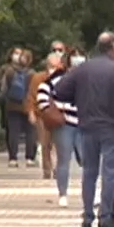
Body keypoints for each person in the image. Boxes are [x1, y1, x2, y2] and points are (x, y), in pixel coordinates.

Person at [55, 32, 114, 227]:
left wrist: (78, 99)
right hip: (113, 128)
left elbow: (59, 90)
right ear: (113, 48)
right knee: (110, 172)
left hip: (87, 127)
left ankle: (87, 216)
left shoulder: (82, 69)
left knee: (89, 172)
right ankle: (106, 217)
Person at [37, 51, 83, 207]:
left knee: (87, 159)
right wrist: (50, 111)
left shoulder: (89, 77)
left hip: (85, 123)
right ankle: (62, 193)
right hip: (64, 123)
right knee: (64, 159)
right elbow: (42, 93)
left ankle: (91, 192)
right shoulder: (56, 79)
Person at [2, 49, 37, 168]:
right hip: (29, 106)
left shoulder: (9, 71)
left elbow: (3, 90)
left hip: (12, 106)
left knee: (13, 132)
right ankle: (30, 158)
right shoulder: (33, 73)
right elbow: (35, 91)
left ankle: (13, 158)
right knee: (31, 132)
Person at [27, 53, 56, 178]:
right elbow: (31, 96)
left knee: (59, 144)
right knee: (45, 143)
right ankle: (47, 170)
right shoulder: (38, 78)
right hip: (42, 115)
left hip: (59, 115)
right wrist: (31, 112)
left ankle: (57, 169)